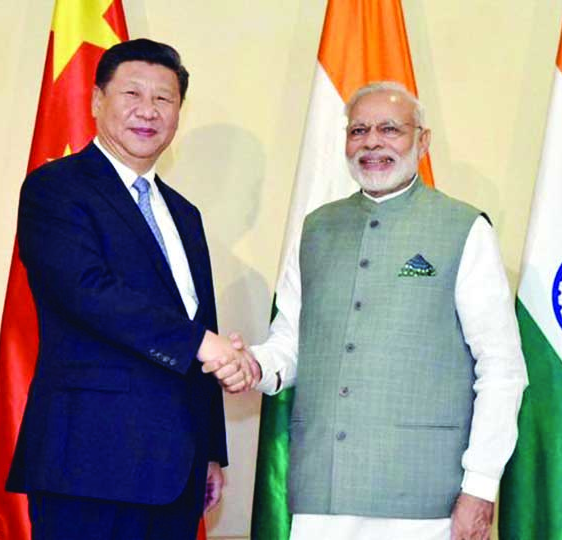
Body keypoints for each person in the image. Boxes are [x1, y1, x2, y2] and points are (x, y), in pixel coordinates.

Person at [205, 81, 528, 540]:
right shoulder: (317, 228)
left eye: (390, 129)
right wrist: (252, 365)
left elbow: (502, 369)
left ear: (423, 140)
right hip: (324, 493)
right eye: (358, 130)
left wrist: (480, 487)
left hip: (424, 497)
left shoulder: (464, 228)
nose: (372, 142)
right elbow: (292, 342)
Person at [6, 38, 252, 539]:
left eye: (164, 99)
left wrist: (209, 450)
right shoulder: (56, 188)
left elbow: (199, 322)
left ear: (179, 111)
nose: (148, 111)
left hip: (175, 472)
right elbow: (89, 292)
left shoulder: (184, 214)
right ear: (98, 101)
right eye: (132, 94)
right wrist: (204, 346)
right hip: (89, 464)